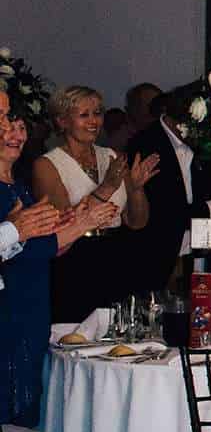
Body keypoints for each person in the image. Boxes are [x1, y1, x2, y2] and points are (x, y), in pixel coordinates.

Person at [2, 87, 116, 432]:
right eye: (7, 123)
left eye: (16, 124)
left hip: (30, 309)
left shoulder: (18, 188)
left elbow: (42, 247)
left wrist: (83, 219)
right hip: (11, 312)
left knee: (20, 416)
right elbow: (24, 252)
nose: (15, 132)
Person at [32, 84, 160, 322]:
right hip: (76, 261)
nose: (94, 121)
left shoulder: (110, 156)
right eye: (84, 115)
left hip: (117, 254)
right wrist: (108, 187)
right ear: (62, 121)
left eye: (97, 113)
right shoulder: (47, 165)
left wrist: (136, 188)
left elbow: (137, 221)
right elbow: (64, 223)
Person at [126, 84, 211, 291]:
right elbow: (163, 214)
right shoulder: (145, 146)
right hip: (156, 262)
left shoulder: (203, 145)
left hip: (199, 255)